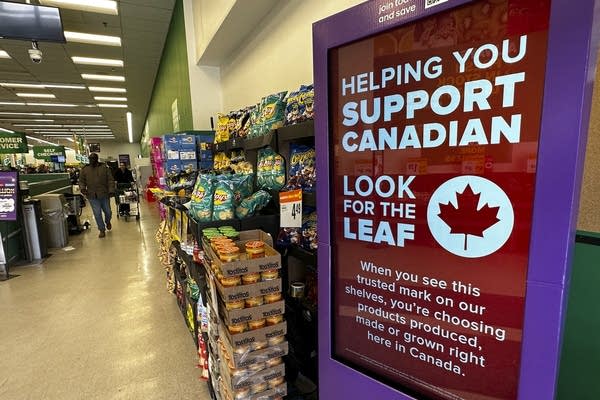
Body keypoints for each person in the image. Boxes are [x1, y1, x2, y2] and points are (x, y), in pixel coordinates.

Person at [79, 153, 114, 238]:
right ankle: (102, 230)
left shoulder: (104, 168)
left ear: (97, 159)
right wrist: (83, 188)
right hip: (92, 195)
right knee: (97, 213)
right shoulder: (84, 169)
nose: (92, 160)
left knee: (108, 212)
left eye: (94, 158)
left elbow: (110, 180)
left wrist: (111, 190)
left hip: (104, 194)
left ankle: (107, 221)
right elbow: (81, 181)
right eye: (90, 159)